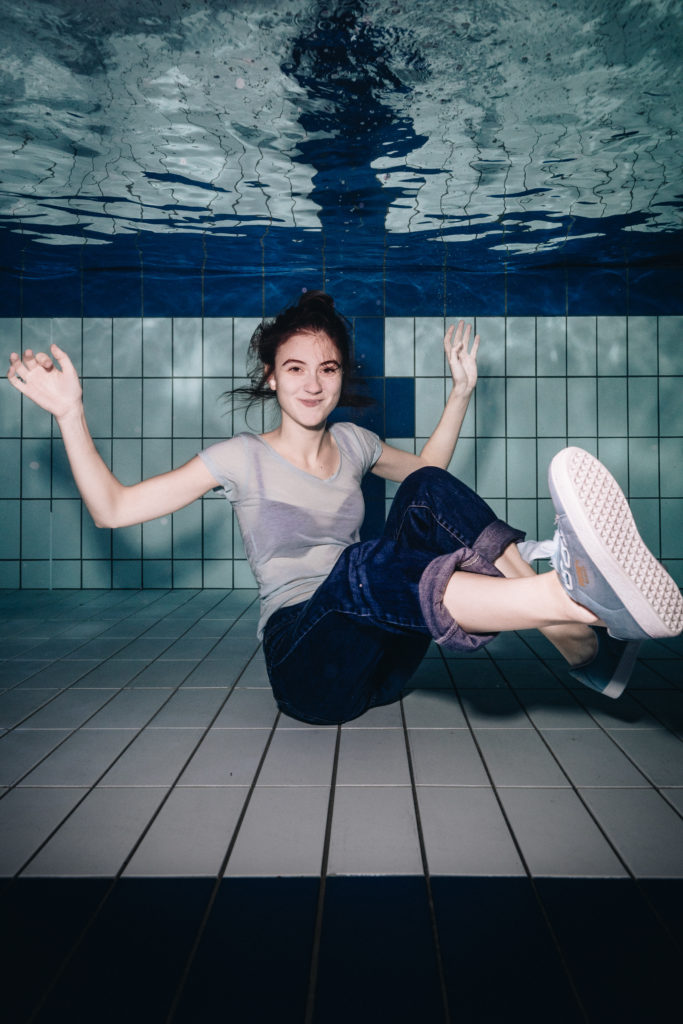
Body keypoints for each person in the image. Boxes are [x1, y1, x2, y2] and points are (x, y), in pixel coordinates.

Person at [7, 291, 682, 722]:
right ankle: (570, 606)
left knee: (417, 490)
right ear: (271, 378)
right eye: (295, 367)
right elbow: (115, 508)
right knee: (357, 566)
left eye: (326, 368)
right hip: (307, 668)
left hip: (383, 664)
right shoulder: (238, 456)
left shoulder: (355, 443)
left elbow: (434, 487)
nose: (311, 382)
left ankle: (574, 634)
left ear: (339, 378)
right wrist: (70, 412)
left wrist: (459, 394)